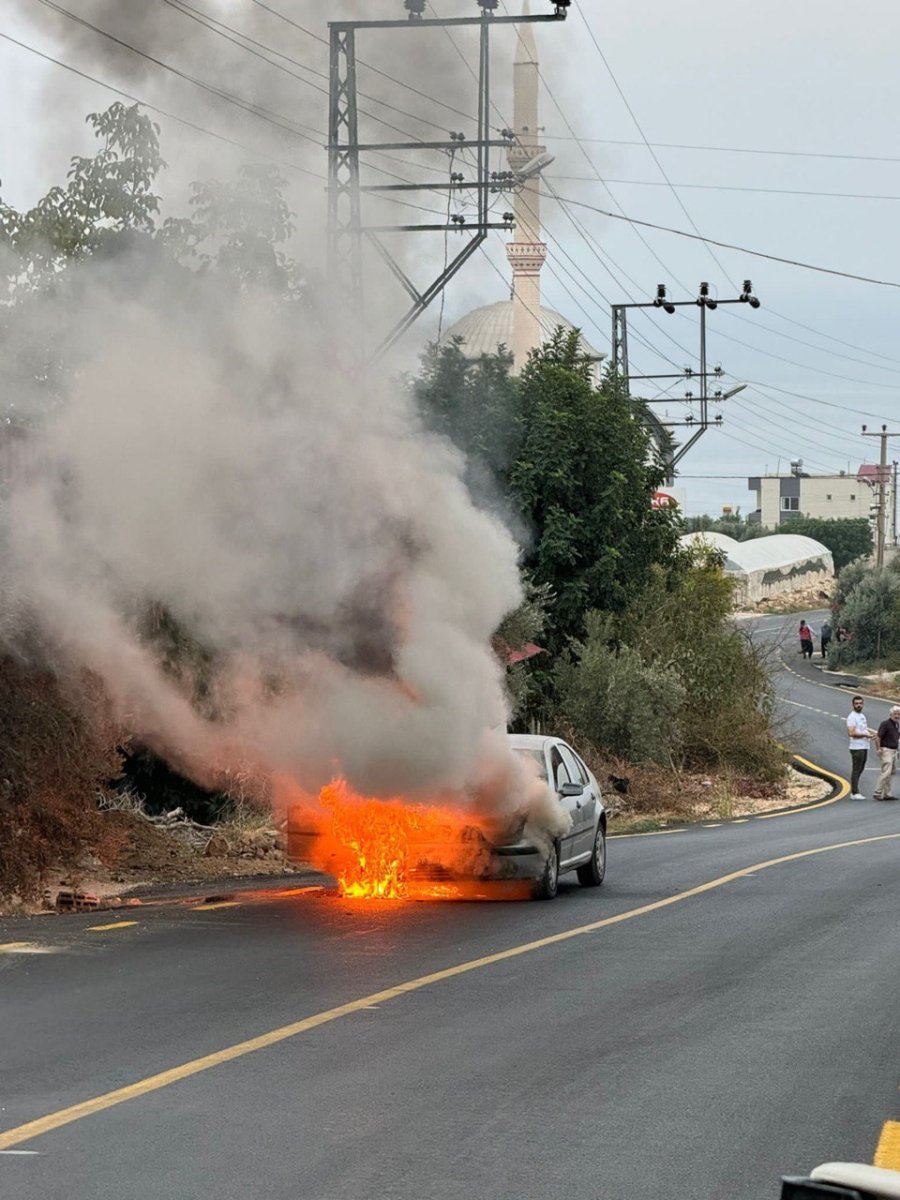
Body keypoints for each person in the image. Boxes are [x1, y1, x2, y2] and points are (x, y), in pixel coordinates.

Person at [847, 695, 876, 799]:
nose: (858, 705)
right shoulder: (852, 717)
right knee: (856, 769)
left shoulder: (862, 716)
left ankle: (855, 789)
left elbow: (864, 729)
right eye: (856, 703)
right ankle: (854, 792)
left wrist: (872, 735)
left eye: (860, 703)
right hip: (856, 747)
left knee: (861, 768)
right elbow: (851, 732)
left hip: (864, 745)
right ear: (853, 705)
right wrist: (865, 735)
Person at [873, 705, 900, 801]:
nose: (897, 716)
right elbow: (878, 737)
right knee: (886, 772)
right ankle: (877, 791)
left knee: (891, 773)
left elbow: (896, 738)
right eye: (895, 714)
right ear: (890, 714)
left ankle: (887, 794)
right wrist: (878, 749)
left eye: (898, 714)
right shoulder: (885, 724)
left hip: (893, 751)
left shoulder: (897, 725)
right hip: (886, 750)